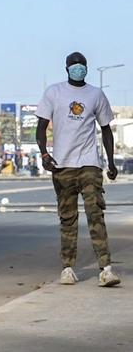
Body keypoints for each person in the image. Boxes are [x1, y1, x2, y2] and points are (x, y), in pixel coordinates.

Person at [37, 52, 121, 287]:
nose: (78, 68)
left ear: (87, 67)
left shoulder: (96, 94)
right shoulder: (54, 92)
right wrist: (44, 154)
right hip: (62, 166)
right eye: (74, 65)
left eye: (81, 65)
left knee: (96, 214)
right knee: (68, 219)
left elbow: (106, 130)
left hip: (89, 164)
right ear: (66, 68)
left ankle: (105, 269)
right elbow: (41, 127)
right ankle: (67, 268)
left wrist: (111, 162)